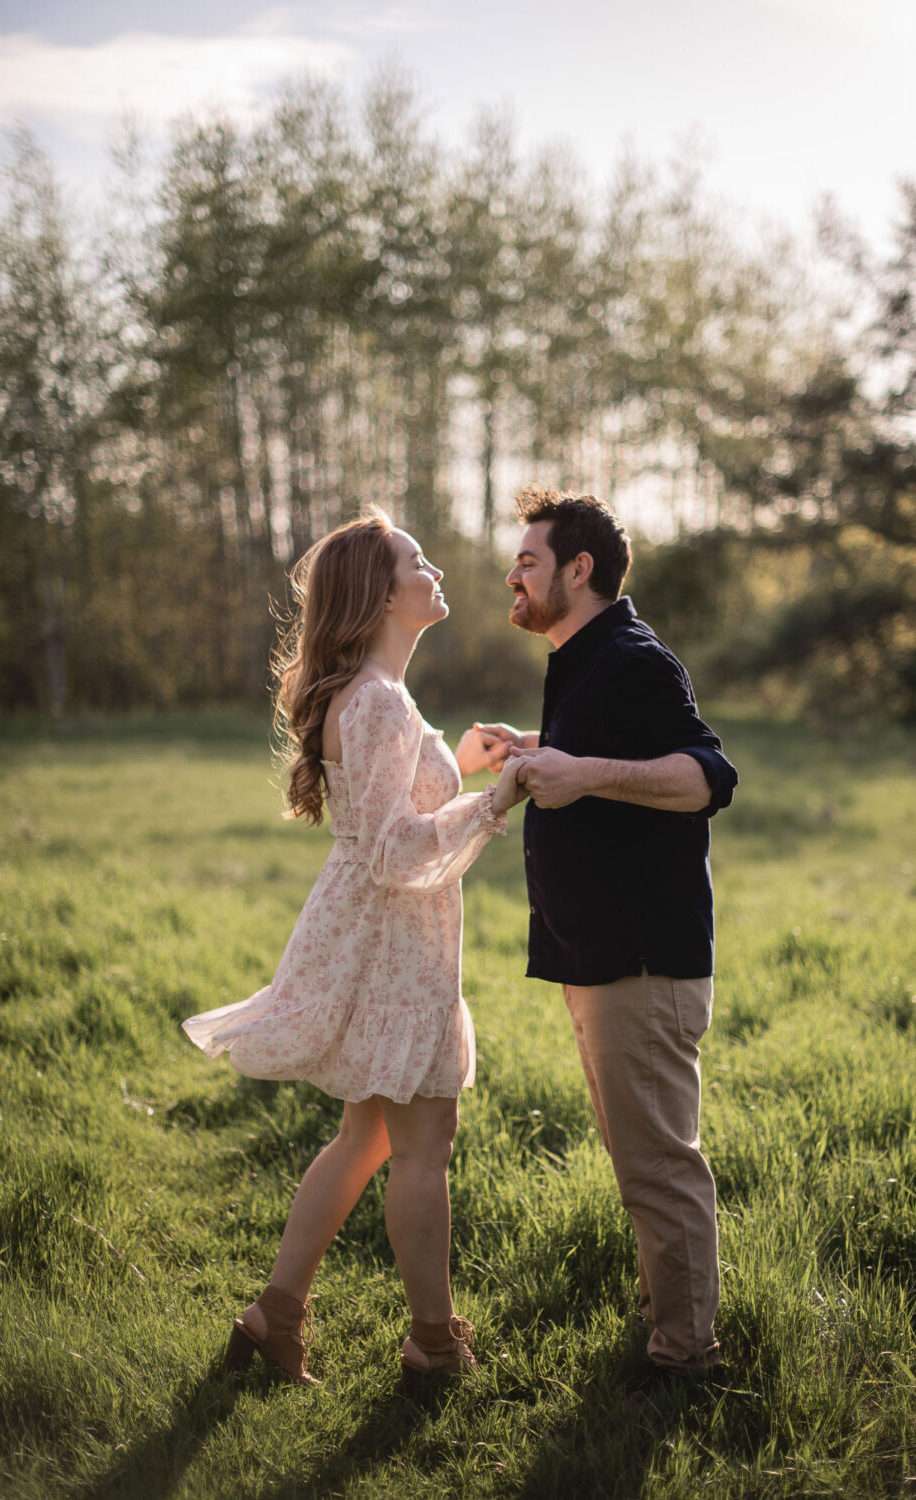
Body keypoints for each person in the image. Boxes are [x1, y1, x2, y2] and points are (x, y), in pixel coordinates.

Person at [183, 510, 524, 1388]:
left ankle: (275, 1317)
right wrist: (495, 801)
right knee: (422, 1143)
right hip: (388, 948)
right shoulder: (374, 701)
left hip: (386, 940)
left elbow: (389, 807)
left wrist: (462, 763)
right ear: (379, 594)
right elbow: (392, 850)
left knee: (368, 1136)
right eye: (417, 560)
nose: (434, 569)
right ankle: (434, 1345)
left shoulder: (382, 696)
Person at [468, 484, 738, 1381]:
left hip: (643, 960)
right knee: (638, 1161)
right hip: (600, 959)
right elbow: (601, 760)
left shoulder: (631, 659)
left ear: (578, 570)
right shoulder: (583, 661)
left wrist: (582, 770)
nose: (513, 576)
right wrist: (538, 747)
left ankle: (685, 1357)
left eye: (528, 562)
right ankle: (670, 1319)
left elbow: (706, 777)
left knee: (657, 1165)